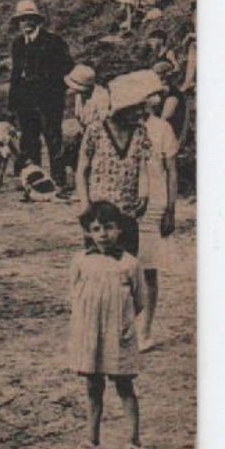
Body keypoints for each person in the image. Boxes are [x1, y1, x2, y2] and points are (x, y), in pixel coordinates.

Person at [76, 71, 175, 354]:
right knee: (97, 272)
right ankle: (94, 329)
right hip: (99, 215)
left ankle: (123, 332)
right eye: (137, 110)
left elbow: (144, 166)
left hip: (128, 215)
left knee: (126, 274)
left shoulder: (140, 132)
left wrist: (143, 191)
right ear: (124, 109)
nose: (141, 115)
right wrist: (84, 203)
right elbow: (82, 169)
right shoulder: (95, 129)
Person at [69, 201, 146, 449]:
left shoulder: (130, 264)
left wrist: (120, 323)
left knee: (124, 384)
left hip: (118, 335)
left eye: (109, 227)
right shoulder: (81, 260)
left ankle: (134, 442)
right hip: (91, 334)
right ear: (88, 232)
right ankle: (92, 439)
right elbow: (76, 293)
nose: (103, 234)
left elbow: (140, 300)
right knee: (92, 385)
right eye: (96, 228)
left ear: (120, 230)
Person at [7, 0, 74, 189]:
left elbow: (68, 67)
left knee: (53, 138)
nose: (25, 23)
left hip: (49, 99)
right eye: (21, 19)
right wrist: (13, 103)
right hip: (25, 101)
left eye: (29, 18)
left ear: (37, 20)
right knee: (29, 140)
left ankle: (59, 180)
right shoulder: (18, 44)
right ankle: (35, 180)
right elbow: (15, 75)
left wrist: (50, 84)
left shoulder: (53, 42)